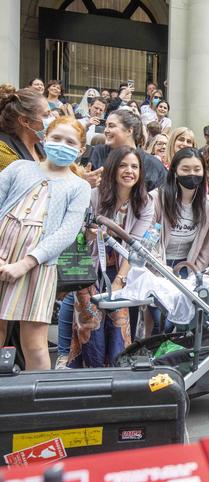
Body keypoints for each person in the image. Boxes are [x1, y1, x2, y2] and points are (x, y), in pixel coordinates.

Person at [0, 116, 91, 370]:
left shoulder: (79, 186)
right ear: (44, 139)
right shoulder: (19, 168)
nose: (62, 144)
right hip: (2, 253)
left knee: (35, 342)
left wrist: (26, 263)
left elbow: (67, 232)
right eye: (56, 138)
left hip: (39, 266)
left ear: (80, 149)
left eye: (70, 141)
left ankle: (35, 401)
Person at [68, 146, 153, 368]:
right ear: (113, 168)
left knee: (118, 325)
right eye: (123, 165)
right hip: (89, 269)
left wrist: (119, 281)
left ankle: (117, 378)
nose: (129, 171)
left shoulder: (144, 202)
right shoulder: (93, 196)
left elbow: (135, 246)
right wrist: (87, 235)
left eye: (135, 166)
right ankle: (90, 378)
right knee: (91, 327)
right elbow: (76, 238)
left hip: (122, 270)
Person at [152, 147, 209, 274]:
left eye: (197, 169)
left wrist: (195, 273)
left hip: (188, 267)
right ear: (175, 171)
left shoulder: (208, 204)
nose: (192, 173)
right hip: (156, 266)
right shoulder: (157, 198)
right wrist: (162, 269)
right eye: (185, 169)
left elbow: (206, 247)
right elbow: (147, 240)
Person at [89, 109, 167, 191]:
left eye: (111, 126)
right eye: (106, 126)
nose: (106, 130)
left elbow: (163, 197)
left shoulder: (153, 165)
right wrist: (86, 182)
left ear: (129, 130)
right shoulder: (99, 152)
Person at [0, 84, 50, 170]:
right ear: (25, 121)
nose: (52, 119)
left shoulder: (40, 142)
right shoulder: (4, 153)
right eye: (46, 115)